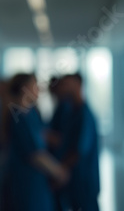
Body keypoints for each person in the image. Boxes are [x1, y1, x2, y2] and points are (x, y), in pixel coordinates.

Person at [5, 73, 68, 211]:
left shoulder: (31, 113)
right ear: (24, 89)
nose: (38, 90)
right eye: (34, 86)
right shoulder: (19, 117)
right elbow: (35, 154)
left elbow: (40, 135)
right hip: (28, 185)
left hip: (39, 183)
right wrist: (59, 172)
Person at [53, 74, 100, 211]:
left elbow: (79, 151)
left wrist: (59, 170)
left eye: (67, 84)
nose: (63, 88)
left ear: (78, 85)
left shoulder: (84, 115)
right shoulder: (72, 113)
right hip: (74, 182)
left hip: (84, 181)